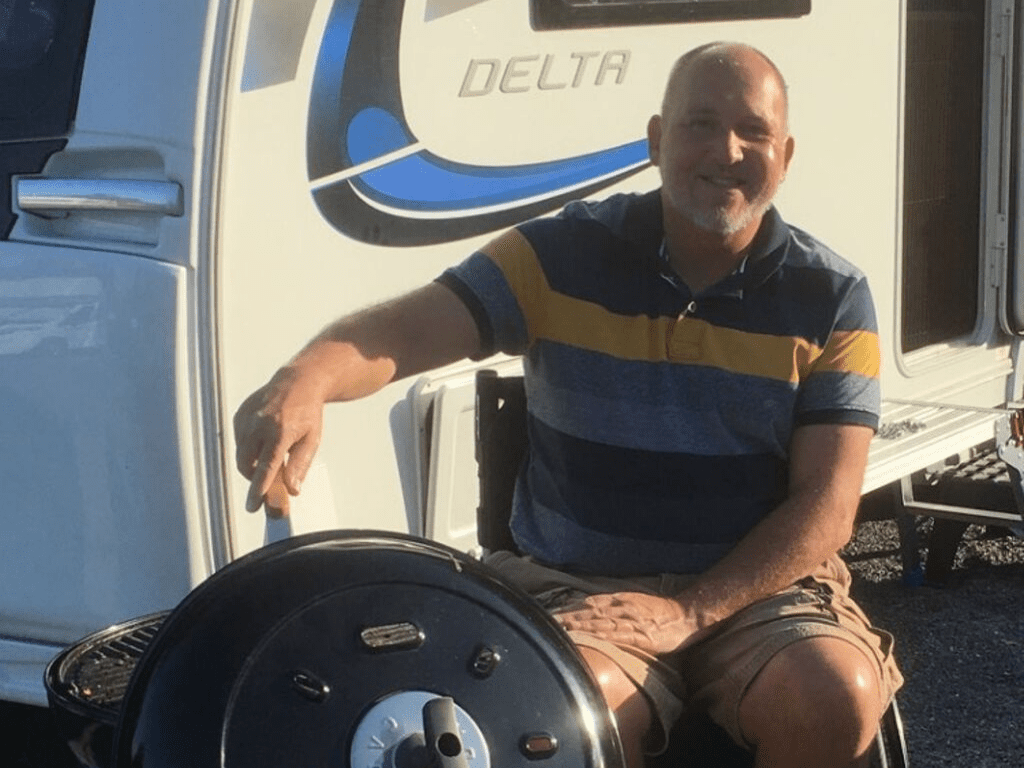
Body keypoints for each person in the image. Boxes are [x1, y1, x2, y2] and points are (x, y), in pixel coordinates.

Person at [234, 42, 902, 768]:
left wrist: (691, 610)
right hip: (585, 591)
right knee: (561, 717)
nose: (727, 150)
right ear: (655, 140)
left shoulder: (832, 295)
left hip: (758, 596)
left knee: (837, 694)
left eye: (754, 132)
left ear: (786, 153)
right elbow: (406, 329)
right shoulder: (558, 255)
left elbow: (829, 505)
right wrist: (305, 380)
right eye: (700, 124)